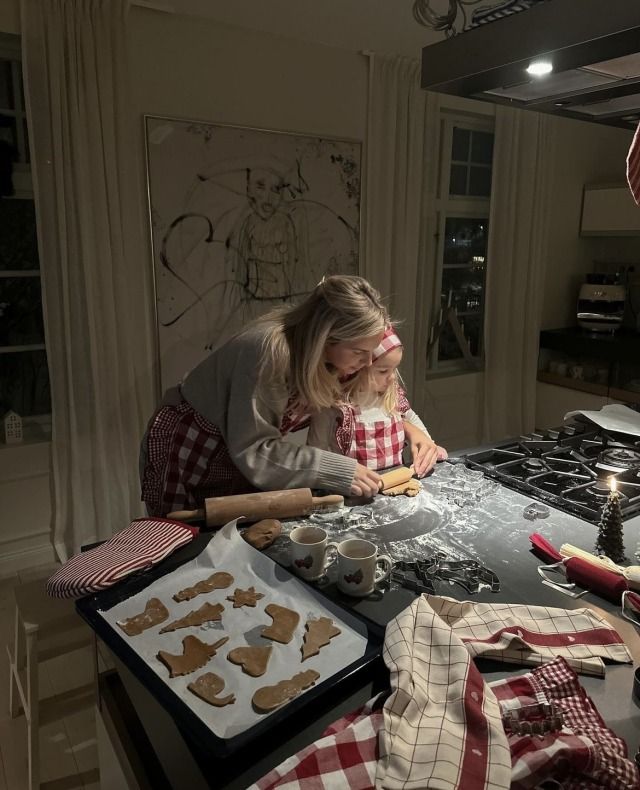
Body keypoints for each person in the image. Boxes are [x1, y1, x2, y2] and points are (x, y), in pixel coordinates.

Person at [140, 275, 389, 517]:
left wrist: (414, 432)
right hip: (190, 448)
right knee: (184, 540)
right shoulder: (270, 352)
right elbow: (256, 449)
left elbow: (385, 390)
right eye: (359, 351)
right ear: (326, 337)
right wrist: (334, 470)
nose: (367, 361)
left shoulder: (332, 361)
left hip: (234, 452)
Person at [307, 326, 447, 475]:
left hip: (395, 480)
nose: (392, 377)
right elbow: (315, 451)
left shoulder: (392, 397)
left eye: (394, 369)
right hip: (357, 491)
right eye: (383, 371)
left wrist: (429, 445)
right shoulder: (333, 406)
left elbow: (411, 419)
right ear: (357, 368)